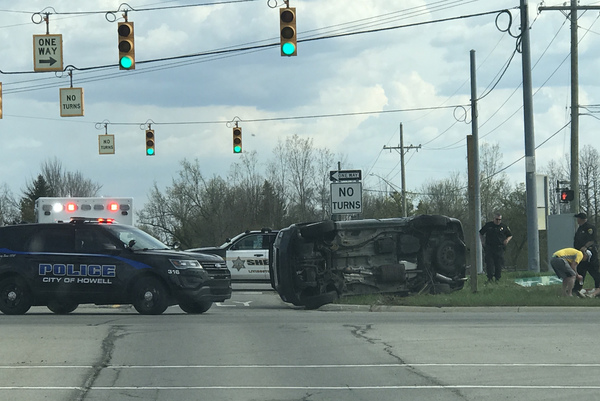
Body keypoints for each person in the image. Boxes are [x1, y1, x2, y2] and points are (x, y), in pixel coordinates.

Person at [573, 212, 600, 298]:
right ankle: (577, 289)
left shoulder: (590, 227)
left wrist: (585, 247)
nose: (577, 220)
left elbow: (592, 240)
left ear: (582, 219)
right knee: (580, 272)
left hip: (590, 254)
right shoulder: (580, 229)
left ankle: (598, 289)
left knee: (595, 272)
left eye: (578, 219)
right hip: (581, 255)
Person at [479, 212, 513, 282]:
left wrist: (507, 240)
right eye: (497, 219)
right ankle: (490, 278)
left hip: (499, 248)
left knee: (498, 264)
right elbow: (481, 233)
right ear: (493, 219)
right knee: (489, 263)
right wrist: (482, 241)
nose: (498, 221)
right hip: (490, 247)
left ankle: (497, 278)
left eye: (499, 219)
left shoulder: (503, 227)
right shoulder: (489, 225)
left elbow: (510, 235)